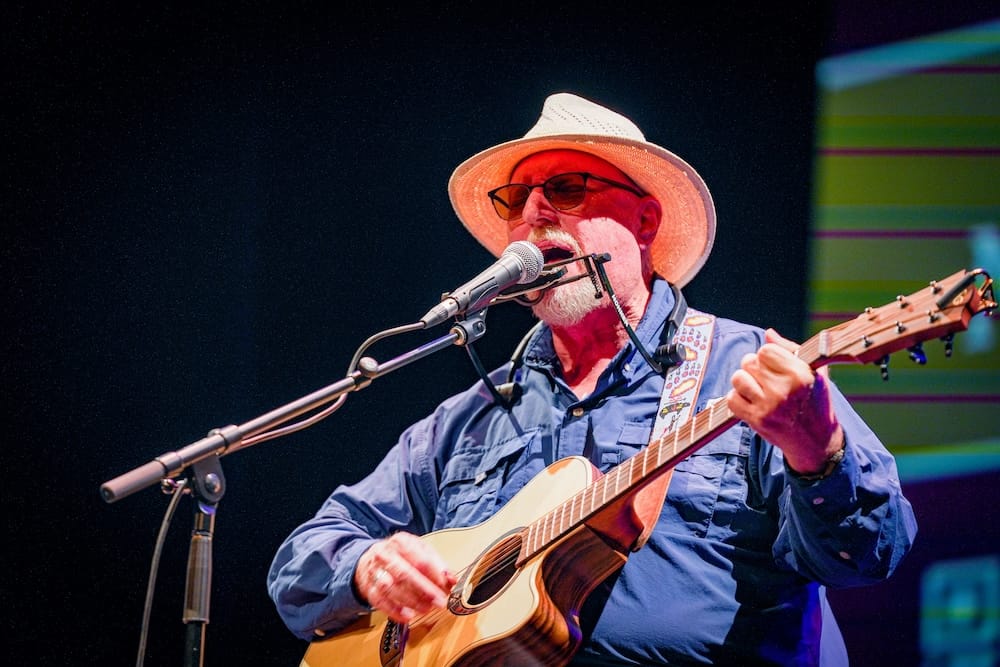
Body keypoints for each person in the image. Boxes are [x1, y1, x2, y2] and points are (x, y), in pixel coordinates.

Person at [267, 92, 918, 666]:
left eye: (567, 188)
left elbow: (871, 553)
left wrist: (816, 450)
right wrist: (368, 566)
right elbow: (301, 559)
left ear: (645, 222)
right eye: (515, 198)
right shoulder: (469, 419)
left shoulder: (749, 368)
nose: (534, 211)